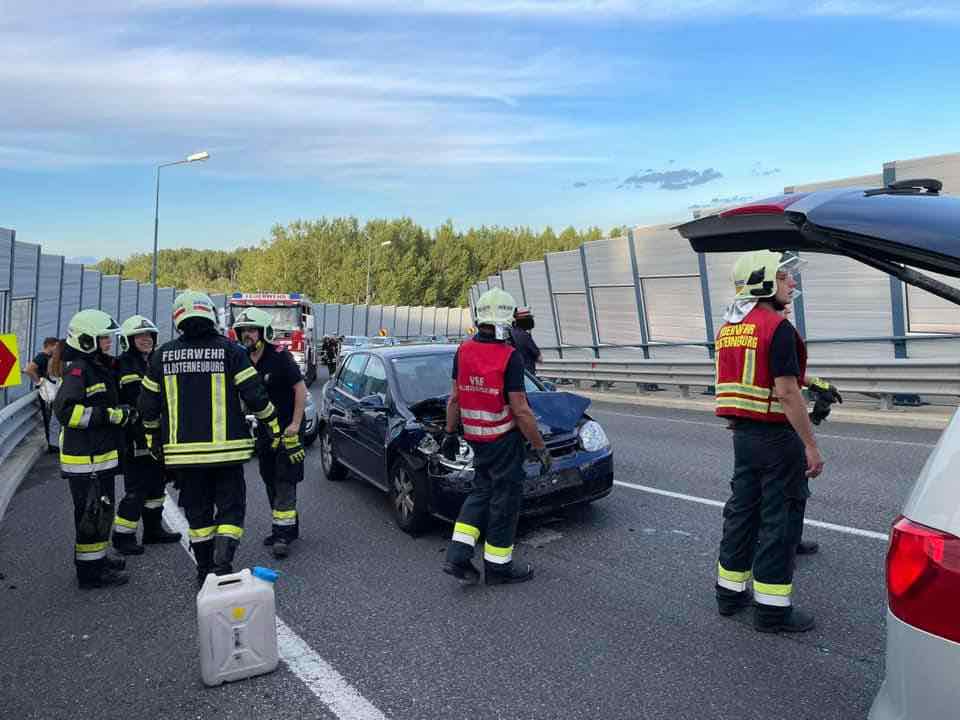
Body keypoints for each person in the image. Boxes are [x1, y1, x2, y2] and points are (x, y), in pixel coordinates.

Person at [713, 250, 829, 633]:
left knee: (742, 513)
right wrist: (810, 445)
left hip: (743, 437)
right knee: (780, 520)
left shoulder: (730, 327)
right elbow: (786, 392)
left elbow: (740, 383)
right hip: (777, 440)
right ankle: (772, 611)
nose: (792, 283)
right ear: (764, 282)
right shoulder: (776, 328)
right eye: (784, 278)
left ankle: (729, 595)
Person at [138, 291, 281, 586]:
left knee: (198, 511)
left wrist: (153, 442)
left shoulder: (162, 355)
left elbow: (147, 407)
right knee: (231, 508)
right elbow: (255, 396)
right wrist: (273, 426)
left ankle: (204, 569)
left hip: (185, 458)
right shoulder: (232, 351)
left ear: (178, 319)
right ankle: (223, 563)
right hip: (227, 454)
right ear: (211, 316)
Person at [441, 288, 551, 586]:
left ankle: (457, 556)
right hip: (504, 440)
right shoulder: (509, 356)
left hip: (476, 439)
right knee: (504, 501)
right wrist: (540, 447)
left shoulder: (463, 350)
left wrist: (450, 433)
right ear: (505, 321)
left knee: (480, 493)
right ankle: (498, 568)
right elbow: (521, 410)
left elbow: (454, 398)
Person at [53, 310, 131, 589]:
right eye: (104, 339)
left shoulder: (94, 366)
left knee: (100, 513)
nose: (109, 343)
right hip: (87, 461)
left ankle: (96, 560)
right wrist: (108, 415)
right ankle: (90, 574)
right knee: (92, 515)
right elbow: (65, 411)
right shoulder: (79, 370)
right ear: (87, 341)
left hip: (97, 458)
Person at [232, 307, 306, 559]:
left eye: (252, 330)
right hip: (264, 432)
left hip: (286, 430)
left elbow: (300, 388)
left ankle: (282, 535)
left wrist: (295, 423)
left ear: (263, 332)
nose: (247, 335)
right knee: (269, 478)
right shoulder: (241, 359)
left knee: (285, 479)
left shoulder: (280, 357)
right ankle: (287, 525)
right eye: (243, 331)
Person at [111, 315, 182, 555]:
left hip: (157, 436)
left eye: (149, 335)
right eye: (140, 336)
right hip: (135, 438)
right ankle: (123, 536)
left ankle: (153, 531)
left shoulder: (154, 361)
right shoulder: (124, 365)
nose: (146, 339)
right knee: (136, 490)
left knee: (156, 486)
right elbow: (137, 400)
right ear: (129, 340)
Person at [26, 337, 60, 453]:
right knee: (48, 417)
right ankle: (51, 444)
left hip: (49, 391)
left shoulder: (49, 358)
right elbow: (29, 369)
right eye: (56, 346)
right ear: (49, 345)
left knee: (50, 417)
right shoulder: (42, 357)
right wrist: (39, 382)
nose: (57, 349)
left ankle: (53, 443)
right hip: (46, 392)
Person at [509, 307, 542, 375]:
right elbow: (539, 358)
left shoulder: (510, 333)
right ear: (527, 321)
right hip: (527, 375)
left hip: (513, 373)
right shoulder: (525, 336)